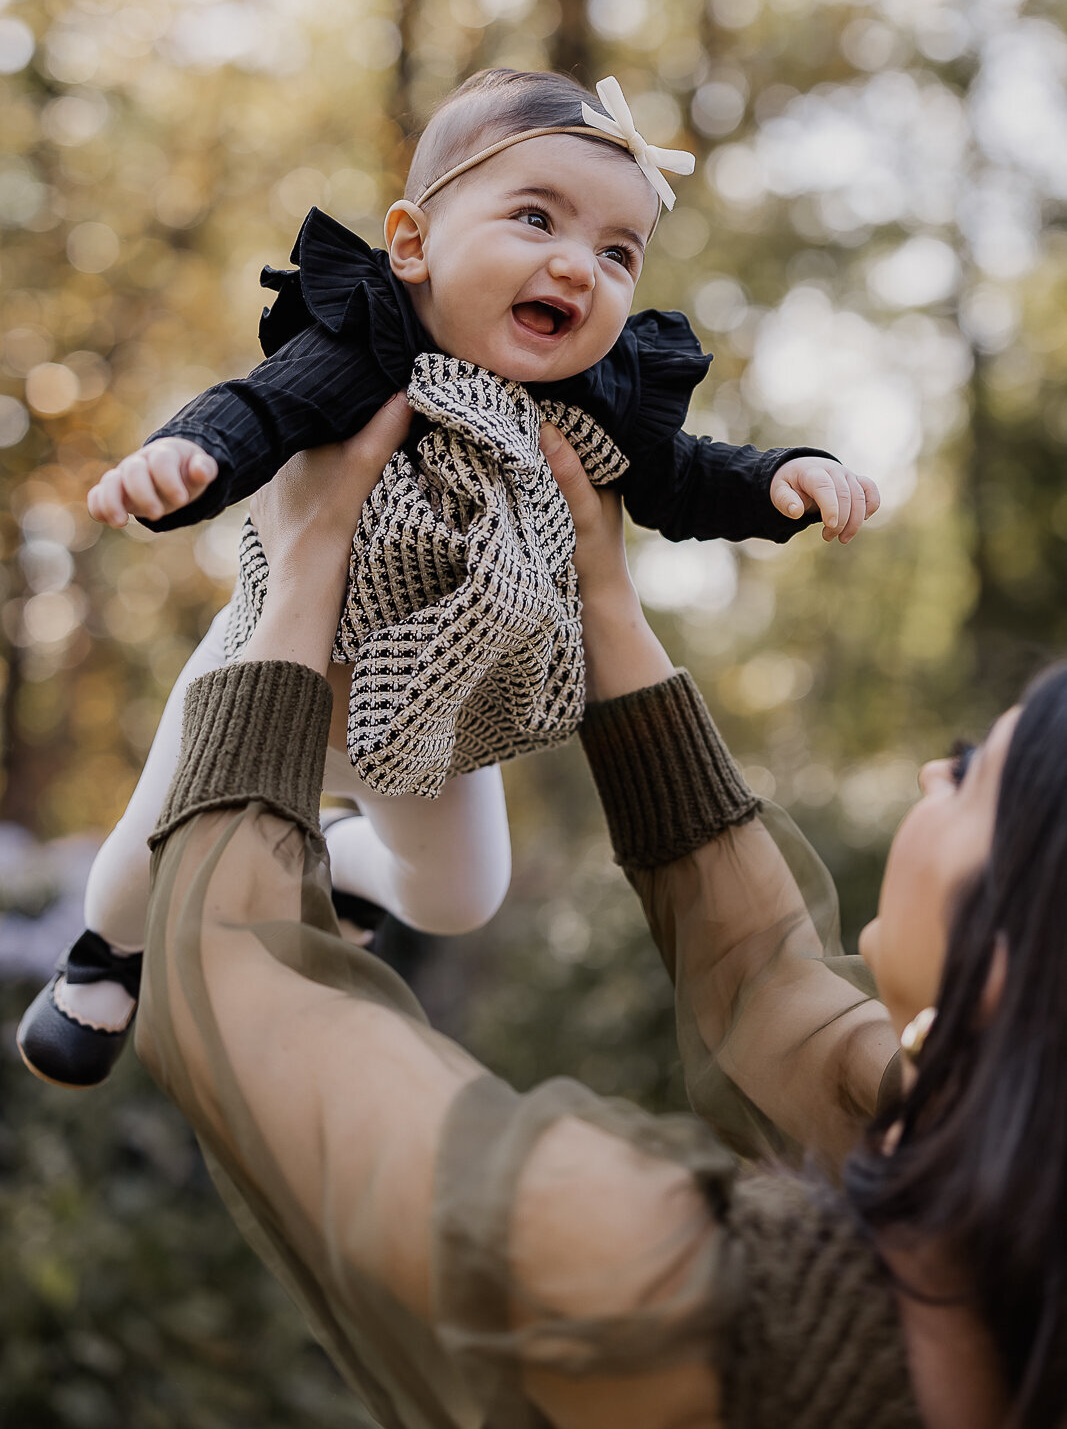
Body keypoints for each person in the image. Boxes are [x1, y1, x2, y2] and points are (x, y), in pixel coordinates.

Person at [129, 397, 1065, 1428]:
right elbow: (769, 980)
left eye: (976, 771)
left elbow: (253, 996)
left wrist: (302, 578)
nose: (937, 770)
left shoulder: (709, 1312)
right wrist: (603, 601)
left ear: (1006, 965)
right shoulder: (986, 1169)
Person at [18, 69, 880, 1091]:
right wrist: (186, 458)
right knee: (145, 853)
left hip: (443, 702)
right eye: (534, 218)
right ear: (415, 243)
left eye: (616, 251)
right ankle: (103, 957)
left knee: (462, 894)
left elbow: (684, 478)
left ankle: (353, 866)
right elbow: (257, 411)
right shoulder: (363, 347)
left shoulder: (592, 402)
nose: (577, 265)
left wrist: (782, 476)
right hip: (268, 667)